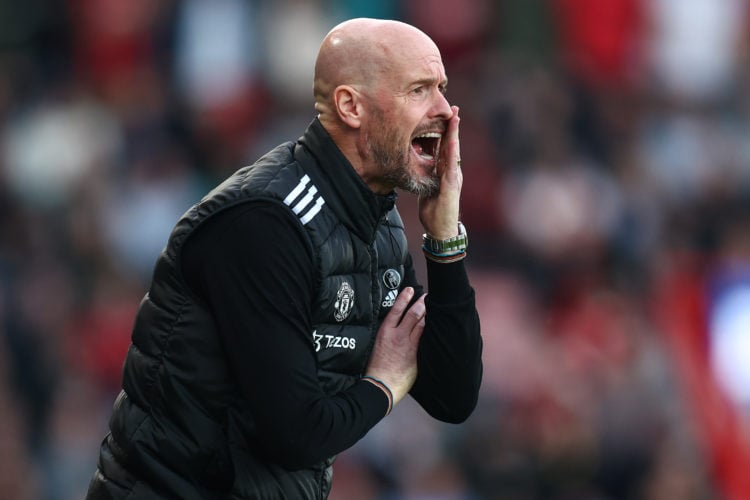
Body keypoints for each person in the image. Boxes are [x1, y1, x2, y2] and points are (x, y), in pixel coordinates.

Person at [86, 17, 483, 499]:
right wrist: (381, 386)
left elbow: (452, 396)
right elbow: (296, 434)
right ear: (350, 106)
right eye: (420, 90)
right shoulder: (264, 223)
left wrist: (444, 241)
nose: (445, 109)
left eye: (442, 88)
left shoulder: (376, 221)